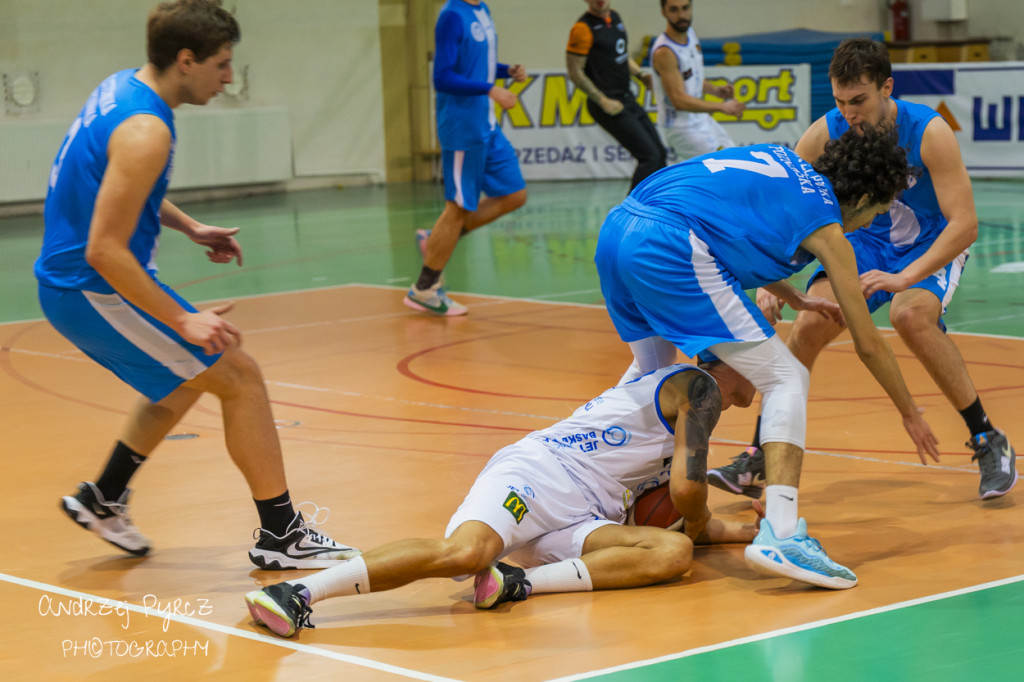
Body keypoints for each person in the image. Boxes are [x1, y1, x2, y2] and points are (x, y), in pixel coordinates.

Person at [36, 0, 357, 569]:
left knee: (184, 379)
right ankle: (282, 535)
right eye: (223, 64)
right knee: (238, 373)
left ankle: (104, 497)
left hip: (80, 284)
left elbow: (115, 186)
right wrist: (184, 318)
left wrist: (189, 226)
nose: (229, 78)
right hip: (89, 287)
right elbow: (104, 249)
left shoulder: (122, 90)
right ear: (186, 60)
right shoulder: (147, 129)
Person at [594, 127, 940, 589]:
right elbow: (868, 342)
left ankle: (587, 481)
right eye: (876, 212)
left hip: (618, 230)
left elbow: (725, 227)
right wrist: (909, 410)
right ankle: (781, 530)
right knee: (787, 378)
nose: (867, 225)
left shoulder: (781, 159)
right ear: (862, 195)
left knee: (651, 377)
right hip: (670, 244)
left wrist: (793, 296)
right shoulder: (829, 228)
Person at [245, 361, 760, 638]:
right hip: (540, 475)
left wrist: (749, 531)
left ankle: (515, 582)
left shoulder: (690, 407)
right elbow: (688, 496)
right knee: (464, 553)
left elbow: (684, 521)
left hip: (583, 515)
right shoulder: (699, 386)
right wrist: (696, 519)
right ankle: (297, 593)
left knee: (672, 553)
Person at [711, 38, 1018, 501]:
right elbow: (785, 209)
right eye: (839, 101)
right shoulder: (824, 132)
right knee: (810, 323)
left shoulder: (930, 132)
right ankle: (758, 456)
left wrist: (904, 278)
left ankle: (986, 436)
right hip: (863, 239)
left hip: (928, 242)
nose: (849, 113)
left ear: (887, 88)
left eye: (859, 100)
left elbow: (965, 224)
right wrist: (772, 279)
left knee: (910, 316)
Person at [404, 0, 528, 317]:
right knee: (458, 206)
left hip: (485, 124)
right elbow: (442, 77)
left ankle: (435, 241)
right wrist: (492, 89)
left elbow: (476, 64)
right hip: (462, 127)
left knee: (514, 195)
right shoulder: (452, 16)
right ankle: (424, 289)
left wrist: (505, 71)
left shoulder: (481, 9)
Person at [566, 0, 667, 189]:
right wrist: (601, 99)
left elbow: (620, 55)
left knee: (660, 154)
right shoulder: (582, 29)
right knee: (649, 157)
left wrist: (640, 74)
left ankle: (655, 207)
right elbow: (575, 72)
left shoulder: (615, 17)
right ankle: (629, 213)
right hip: (607, 104)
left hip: (626, 97)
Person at [650, 0, 745, 163]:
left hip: (700, 119)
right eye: (674, 10)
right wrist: (723, 106)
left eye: (685, 8)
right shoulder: (665, 52)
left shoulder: (690, 35)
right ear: (663, 12)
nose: (681, 16)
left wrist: (715, 91)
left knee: (734, 156)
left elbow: (691, 77)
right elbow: (679, 100)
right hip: (681, 128)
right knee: (723, 166)